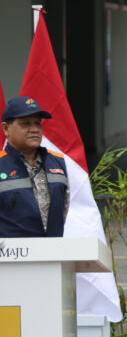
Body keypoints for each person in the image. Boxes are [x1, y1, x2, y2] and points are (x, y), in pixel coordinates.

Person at [0, 96, 68, 237]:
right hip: (11, 256)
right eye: (25, 124)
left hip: (52, 253)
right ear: (6, 129)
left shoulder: (58, 162)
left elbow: (63, 210)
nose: (34, 129)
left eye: (38, 123)